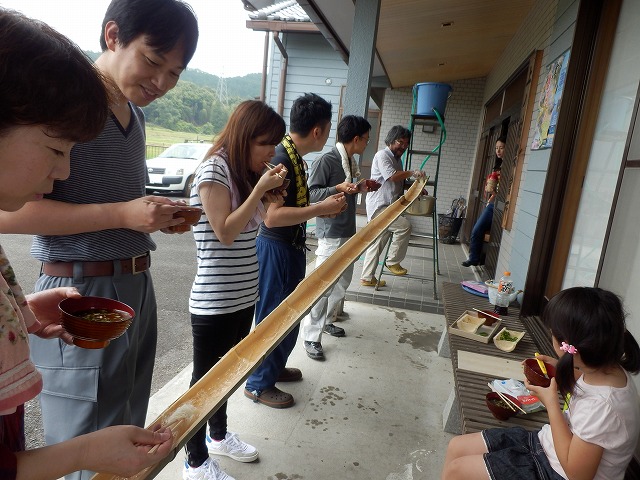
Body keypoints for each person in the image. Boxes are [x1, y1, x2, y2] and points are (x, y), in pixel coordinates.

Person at [0, 1, 198, 479]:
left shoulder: (135, 116)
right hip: (81, 288)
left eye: (175, 73)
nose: (162, 82)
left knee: (125, 428)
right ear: (113, 35)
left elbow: (117, 202)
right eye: (153, 62)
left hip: (135, 281)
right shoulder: (59, 103)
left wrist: (152, 216)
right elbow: (10, 213)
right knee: (82, 442)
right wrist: (122, 213)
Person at [183, 101, 286, 480]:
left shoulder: (240, 172)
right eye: (266, 144)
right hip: (214, 300)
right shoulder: (214, 170)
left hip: (242, 297)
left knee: (226, 376)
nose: (271, 152)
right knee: (204, 384)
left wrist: (267, 196)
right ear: (245, 137)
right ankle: (193, 461)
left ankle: (219, 437)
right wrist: (260, 187)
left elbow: (255, 223)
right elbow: (225, 232)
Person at [441, 286, 640, 480]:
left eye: (552, 332)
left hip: (557, 471)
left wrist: (551, 403)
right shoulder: (606, 369)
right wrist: (557, 367)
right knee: (457, 447)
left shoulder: (604, 407)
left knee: (457, 471)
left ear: (568, 347)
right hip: (548, 445)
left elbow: (577, 474)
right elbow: (586, 382)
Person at [243, 93, 347, 408]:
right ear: (318, 130)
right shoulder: (282, 159)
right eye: (328, 128)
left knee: (288, 315)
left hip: (290, 247)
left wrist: (321, 207)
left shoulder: (294, 157)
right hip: (276, 247)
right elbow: (272, 217)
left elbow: (296, 207)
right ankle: (259, 383)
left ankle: (272, 369)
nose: (328, 135)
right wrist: (319, 210)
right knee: (274, 317)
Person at [300, 115, 372, 360]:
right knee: (324, 285)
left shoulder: (349, 163)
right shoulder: (328, 161)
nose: (366, 144)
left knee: (342, 282)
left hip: (347, 231)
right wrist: (337, 188)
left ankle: (329, 320)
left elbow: (347, 190)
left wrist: (360, 188)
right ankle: (311, 336)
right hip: (330, 233)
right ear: (356, 139)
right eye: (366, 140)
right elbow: (311, 194)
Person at [360, 125, 424, 286]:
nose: (403, 147)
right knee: (404, 227)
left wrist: (417, 189)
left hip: (388, 206)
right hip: (379, 206)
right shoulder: (382, 155)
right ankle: (393, 261)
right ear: (391, 140)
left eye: (406, 144)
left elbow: (399, 183)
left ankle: (367, 277)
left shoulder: (397, 160)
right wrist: (412, 172)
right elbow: (391, 177)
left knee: (377, 242)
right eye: (400, 142)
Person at [461, 136, 505, 267]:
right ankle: (474, 258)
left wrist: (495, 193)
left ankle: (482, 260)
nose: (498, 151)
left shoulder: (510, 166)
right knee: (477, 230)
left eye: (501, 148)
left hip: (502, 205)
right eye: (497, 148)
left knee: (495, 235)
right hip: (493, 203)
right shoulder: (498, 166)